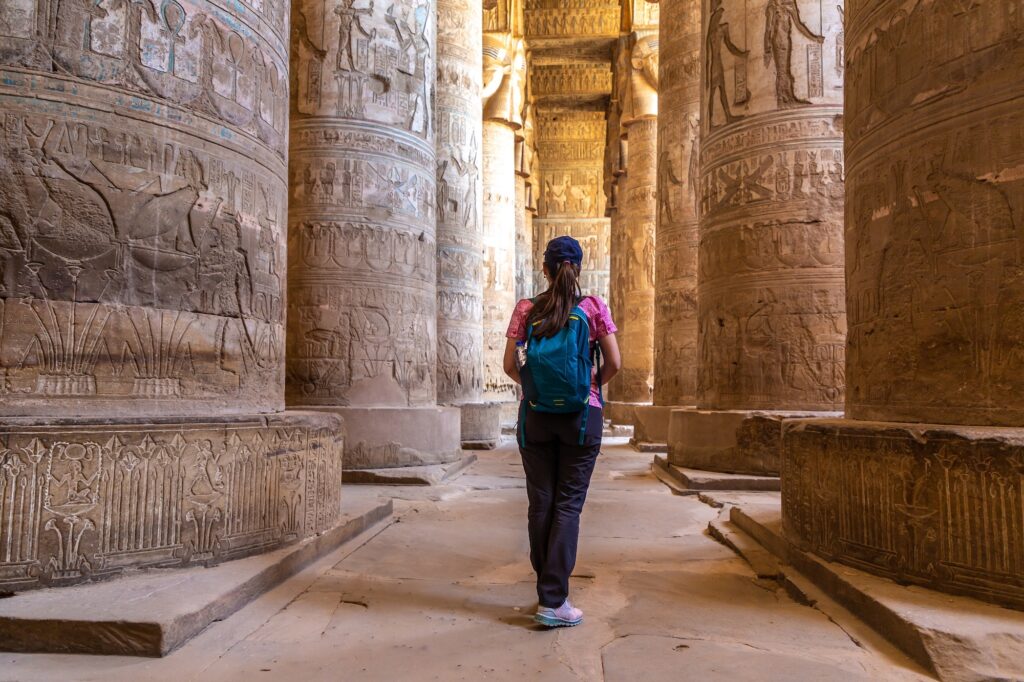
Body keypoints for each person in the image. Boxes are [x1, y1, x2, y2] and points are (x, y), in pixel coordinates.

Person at [503, 236, 621, 628]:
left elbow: (509, 366)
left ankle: (547, 594)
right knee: (568, 505)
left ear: (545, 269)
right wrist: (589, 383)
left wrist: (537, 387)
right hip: (581, 419)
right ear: (580, 268)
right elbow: (615, 363)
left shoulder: (526, 308)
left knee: (541, 505)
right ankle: (555, 599)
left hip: (535, 417)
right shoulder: (592, 307)